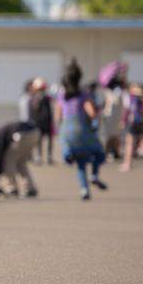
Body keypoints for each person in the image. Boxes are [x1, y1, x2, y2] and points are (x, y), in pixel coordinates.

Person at [56, 59, 108, 200]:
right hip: (81, 129)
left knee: (80, 163)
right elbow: (91, 113)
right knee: (99, 153)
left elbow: (58, 117)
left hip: (67, 131)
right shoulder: (83, 94)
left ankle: (84, 189)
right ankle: (94, 175)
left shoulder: (61, 95)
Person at [29, 78, 55, 165]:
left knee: (46, 140)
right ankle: (42, 156)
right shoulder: (34, 98)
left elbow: (49, 111)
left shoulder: (45, 98)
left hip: (44, 122)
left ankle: (47, 157)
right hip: (40, 123)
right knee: (40, 140)